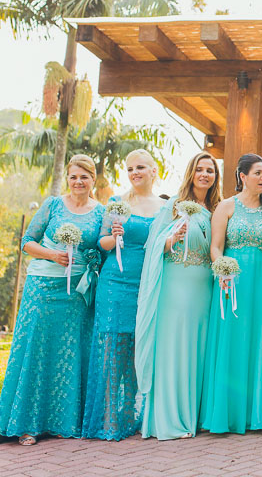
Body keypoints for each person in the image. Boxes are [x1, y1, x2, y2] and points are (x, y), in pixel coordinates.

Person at [0, 155, 105, 445]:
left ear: (93, 179)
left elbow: (103, 248)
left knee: (70, 352)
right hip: (42, 287)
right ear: (67, 178)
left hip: (77, 292)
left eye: (84, 177)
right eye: (73, 176)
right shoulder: (53, 205)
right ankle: (28, 424)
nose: (78, 182)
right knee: (37, 349)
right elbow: (26, 242)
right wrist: (53, 254)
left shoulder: (101, 212)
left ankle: (64, 422)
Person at [135, 152, 219, 440]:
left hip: (204, 288)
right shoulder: (174, 205)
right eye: (200, 169)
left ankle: (195, 416)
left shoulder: (216, 209)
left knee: (199, 348)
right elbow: (153, 245)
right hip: (176, 285)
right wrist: (172, 239)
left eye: (210, 170)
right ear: (191, 173)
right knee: (175, 347)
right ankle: (171, 419)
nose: (204, 174)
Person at [82, 150, 163, 440]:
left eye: (140, 167)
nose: (134, 173)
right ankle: (108, 418)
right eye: (129, 169)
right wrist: (114, 236)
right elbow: (101, 242)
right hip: (115, 282)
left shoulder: (164, 207)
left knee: (138, 346)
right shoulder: (117, 203)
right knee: (112, 347)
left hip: (148, 283)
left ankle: (131, 413)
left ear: (153, 171)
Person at [201, 154, 262, 434]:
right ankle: (227, 413)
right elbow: (216, 247)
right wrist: (222, 271)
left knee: (258, 338)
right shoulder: (226, 206)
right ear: (243, 176)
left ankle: (255, 413)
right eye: (258, 173)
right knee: (231, 340)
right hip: (231, 282)